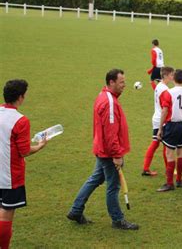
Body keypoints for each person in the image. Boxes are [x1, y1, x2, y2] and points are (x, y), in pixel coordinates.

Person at [67, 69, 139, 230]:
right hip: (108, 152)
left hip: (102, 148)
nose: (124, 85)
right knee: (113, 186)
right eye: (121, 82)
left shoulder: (103, 96)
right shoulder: (110, 102)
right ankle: (117, 219)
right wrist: (116, 155)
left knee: (95, 179)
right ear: (111, 82)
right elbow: (111, 131)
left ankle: (76, 210)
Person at [0, 80, 48, 249]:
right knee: (6, 213)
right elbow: (24, 151)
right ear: (20, 97)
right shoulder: (20, 121)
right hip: (9, 176)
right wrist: (40, 146)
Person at [157, 69, 182, 192]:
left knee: (169, 153)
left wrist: (160, 128)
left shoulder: (169, 93)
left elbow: (164, 111)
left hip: (172, 125)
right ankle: (179, 180)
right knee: (181, 152)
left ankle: (169, 183)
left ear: (174, 78)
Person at [142, 67, 174, 176]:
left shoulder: (159, 86)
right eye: (171, 75)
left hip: (156, 117)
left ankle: (146, 168)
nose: (172, 77)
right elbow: (166, 107)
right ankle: (168, 170)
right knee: (166, 146)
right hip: (162, 120)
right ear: (165, 76)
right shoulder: (165, 90)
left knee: (156, 144)